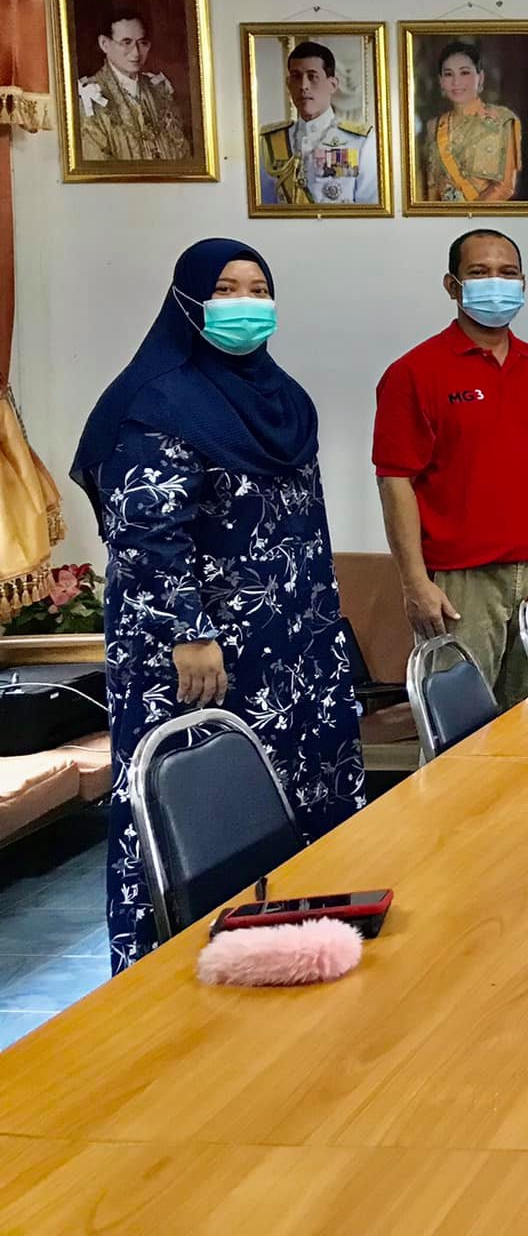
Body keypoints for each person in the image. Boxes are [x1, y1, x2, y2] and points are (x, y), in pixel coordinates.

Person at [70, 239, 364, 972]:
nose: (245, 303)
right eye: (225, 289)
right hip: (202, 658)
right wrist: (188, 631)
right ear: (187, 302)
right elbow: (144, 531)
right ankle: (172, 974)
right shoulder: (156, 402)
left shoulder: (283, 399)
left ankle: (302, 955)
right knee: (204, 812)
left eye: (258, 288)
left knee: (301, 799)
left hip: (291, 648)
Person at [373, 229, 528, 710]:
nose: (496, 282)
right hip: (462, 584)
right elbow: (395, 481)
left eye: (507, 272)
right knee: (461, 725)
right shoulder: (413, 373)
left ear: (523, 283)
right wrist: (414, 582)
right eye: (479, 272)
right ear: (452, 285)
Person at [256, 41, 378, 206]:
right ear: (288, 84)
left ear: (333, 84)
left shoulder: (360, 141)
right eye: (296, 77)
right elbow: (262, 208)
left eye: (312, 77)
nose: (303, 86)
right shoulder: (270, 142)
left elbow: (371, 208)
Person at [77, 7, 188, 161]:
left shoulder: (159, 89)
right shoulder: (89, 97)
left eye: (142, 43)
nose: (136, 53)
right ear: (104, 44)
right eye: (126, 42)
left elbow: (181, 152)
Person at [421, 40, 521, 203]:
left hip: (484, 216)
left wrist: (469, 214)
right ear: (440, 81)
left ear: (480, 77)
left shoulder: (501, 120)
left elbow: (504, 187)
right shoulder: (434, 126)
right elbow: (432, 188)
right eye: (448, 74)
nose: (456, 82)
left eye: (464, 73)